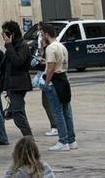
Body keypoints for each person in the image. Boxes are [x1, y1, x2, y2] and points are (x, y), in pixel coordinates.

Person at [39, 23, 75, 151]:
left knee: (57, 112)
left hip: (55, 81)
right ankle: (71, 140)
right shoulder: (62, 46)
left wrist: (46, 83)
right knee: (67, 111)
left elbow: (51, 68)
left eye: (42, 34)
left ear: (47, 34)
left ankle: (63, 141)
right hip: (64, 78)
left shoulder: (50, 48)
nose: (42, 37)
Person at [0, 21, 34, 139]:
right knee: (19, 112)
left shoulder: (22, 45)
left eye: (6, 33)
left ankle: (29, 139)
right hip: (11, 84)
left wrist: (8, 45)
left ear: (12, 33)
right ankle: (28, 138)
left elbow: (18, 62)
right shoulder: (13, 46)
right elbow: (4, 66)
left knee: (18, 113)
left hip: (19, 84)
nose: (4, 36)